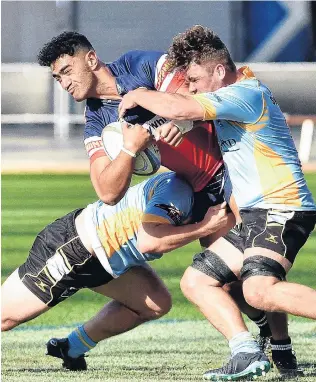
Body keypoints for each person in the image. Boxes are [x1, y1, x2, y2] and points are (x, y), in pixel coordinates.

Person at [37, 32, 296, 379]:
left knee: (252, 268)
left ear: (91, 59)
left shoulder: (138, 65)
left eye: (67, 71)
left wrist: (177, 120)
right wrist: (129, 150)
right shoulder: (97, 120)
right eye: (58, 78)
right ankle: (260, 342)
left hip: (233, 166)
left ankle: (278, 348)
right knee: (227, 282)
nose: (64, 83)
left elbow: (195, 86)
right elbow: (107, 191)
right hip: (199, 187)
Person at [118, 25, 316, 380]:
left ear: (219, 71)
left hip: (281, 208)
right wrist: (181, 121)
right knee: (196, 281)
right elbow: (189, 112)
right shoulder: (237, 94)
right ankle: (246, 353)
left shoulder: (245, 93)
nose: (191, 86)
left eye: (194, 78)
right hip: (258, 213)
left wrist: (138, 94)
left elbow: (181, 104)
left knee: (258, 290)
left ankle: (275, 347)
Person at [1, 171, 230, 371]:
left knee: (154, 303)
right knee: (4, 319)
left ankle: (70, 348)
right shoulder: (178, 189)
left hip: (105, 261)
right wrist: (204, 227)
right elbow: (150, 242)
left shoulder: (202, 191)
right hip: (76, 249)